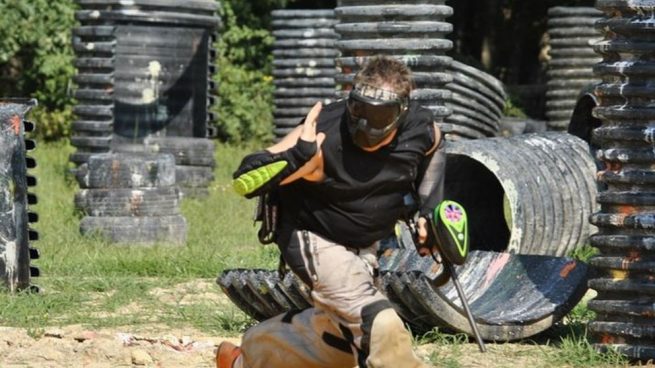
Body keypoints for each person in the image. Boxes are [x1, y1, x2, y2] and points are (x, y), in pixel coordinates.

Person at [218, 55, 446, 368]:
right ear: (350, 100)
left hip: (365, 246)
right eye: (359, 109)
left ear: (402, 112)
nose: (366, 123)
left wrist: (428, 211)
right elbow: (244, 180)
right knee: (380, 324)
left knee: (340, 344)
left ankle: (249, 357)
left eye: (380, 116)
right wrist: (297, 157)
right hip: (312, 238)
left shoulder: (420, 127)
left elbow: (435, 147)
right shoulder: (324, 130)